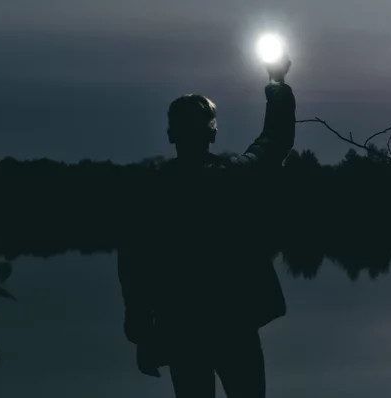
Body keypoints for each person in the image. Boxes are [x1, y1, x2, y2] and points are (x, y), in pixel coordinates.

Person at [116, 58, 292, 398]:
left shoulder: (151, 193)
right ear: (213, 131)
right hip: (235, 325)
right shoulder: (234, 179)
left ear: (170, 134)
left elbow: (134, 266)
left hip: (181, 329)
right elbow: (275, 140)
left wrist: (142, 332)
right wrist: (277, 83)